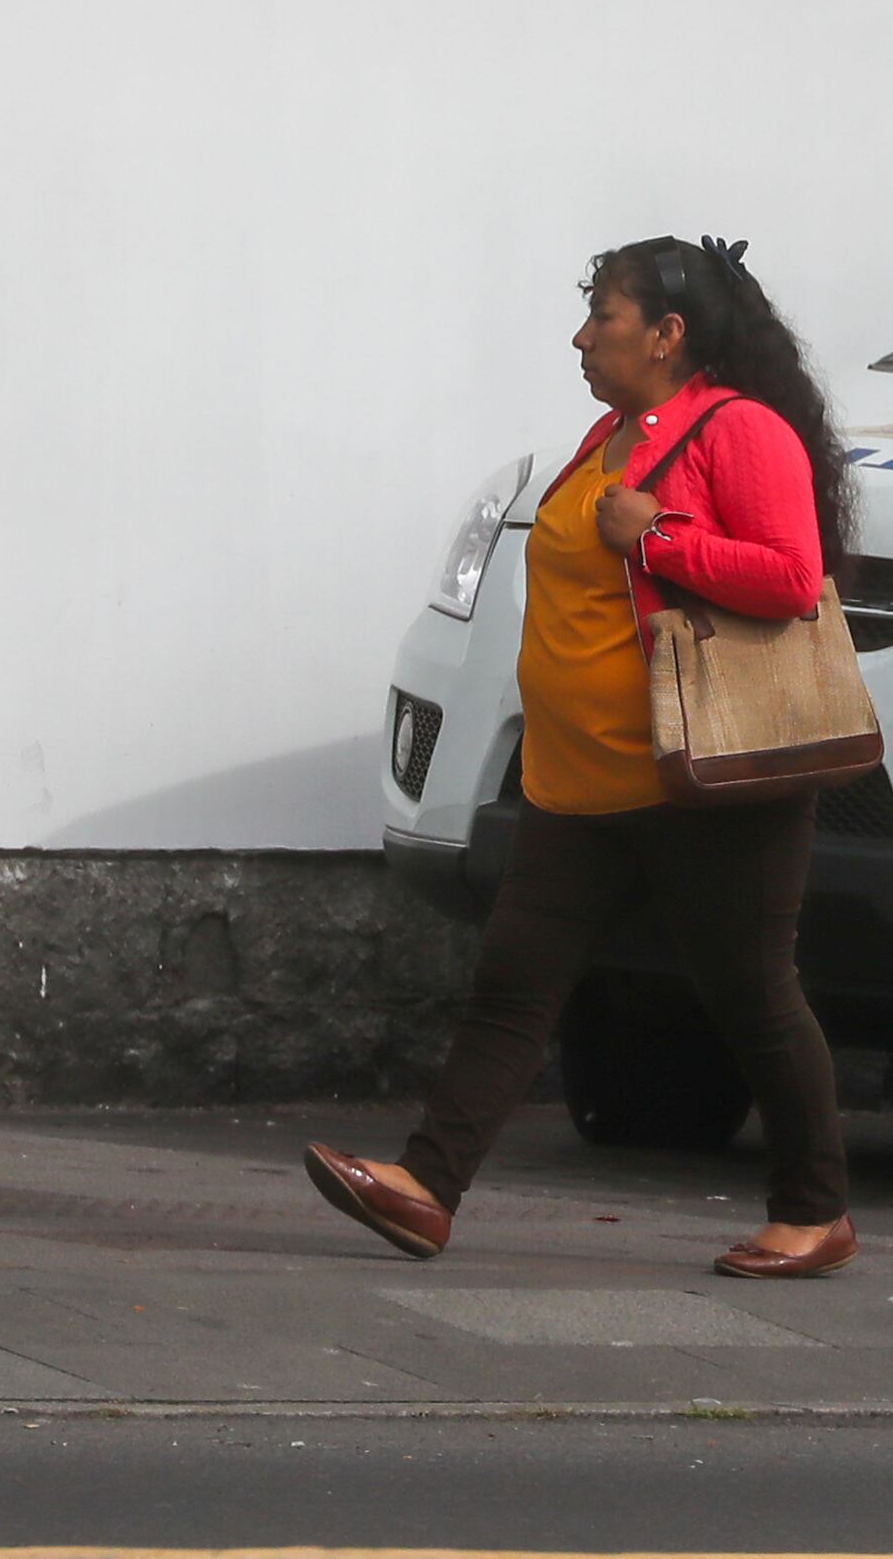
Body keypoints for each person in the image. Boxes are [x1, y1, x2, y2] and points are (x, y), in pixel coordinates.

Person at [304, 237, 860, 1280]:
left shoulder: (741, 430)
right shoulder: (612, 433)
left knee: (750, 991)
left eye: (601, 314)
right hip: (578, 778)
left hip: (701, 779)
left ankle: (814, 1211)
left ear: (667, 333)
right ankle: (425, 1187)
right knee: (512, 985)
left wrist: (657, 541)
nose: (579, 333)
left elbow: (791, 577)